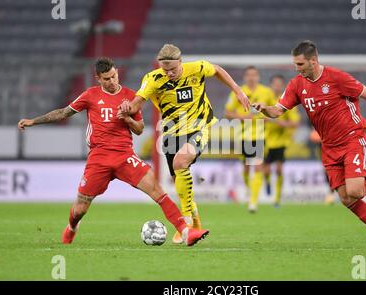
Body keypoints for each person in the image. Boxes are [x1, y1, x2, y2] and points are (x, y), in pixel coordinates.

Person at [17, 57, 209, 246]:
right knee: (80, 208)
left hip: (125, 156)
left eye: (114, 76)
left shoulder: (131, 97)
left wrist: (127, 118)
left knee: (157, 190)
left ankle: (186, 232)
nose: (112, 81)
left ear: (117, 72)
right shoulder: (90, 95)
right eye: (106, 79)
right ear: (98, 79)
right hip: (98, 157)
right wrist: (34, 121)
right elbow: (63, 113)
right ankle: (72, 227)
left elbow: (140, 129)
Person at [252, 40, 366, 249]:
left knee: (356, 191)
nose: (296, 69)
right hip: (329, 147)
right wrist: (263, 108)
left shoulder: (337, 78)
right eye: (295, 64)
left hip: (352, 139)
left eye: (300, 64)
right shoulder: (297, 84)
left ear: (313, 61)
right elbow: (278, 110)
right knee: (346, 198)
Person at [118, 44, 250, 243]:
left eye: (173, 68)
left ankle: (185, 223)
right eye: (165, 69)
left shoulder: (196, 68)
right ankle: (196, 224)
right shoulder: (153, 79)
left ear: (181, 62)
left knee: (180, 163)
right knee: (179, 180)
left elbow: (218, 70)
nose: (169, 73)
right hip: (172, 132)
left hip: (199, 126)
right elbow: (138, 101)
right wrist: (128, 108)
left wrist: (238, 90)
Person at [224, 66, 275, 213]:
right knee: (246, 169)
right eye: (249, 75)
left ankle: (253, 202)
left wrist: (267, 117)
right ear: (245, 77)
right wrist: (242, 117)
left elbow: (275, 109)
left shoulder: (266, 92)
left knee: (258, 166)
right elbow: (227, 112)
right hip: (242, 136)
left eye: (254, 75)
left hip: (259, 135)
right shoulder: (238, 92)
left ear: (258, 77)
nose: (251, 77)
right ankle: (249, 191)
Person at [263, 75, 301, 208]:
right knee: (266, 170)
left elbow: (295, 123)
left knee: (279, 169)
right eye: (275, 84)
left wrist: (281, 123)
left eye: (280, 84)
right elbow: (255, 117)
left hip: (281, 141)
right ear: (271, 85)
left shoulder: (286, 101)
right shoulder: (265, 98)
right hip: (266, 140)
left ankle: (277, 199)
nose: (277, 86)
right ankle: (267, 182)